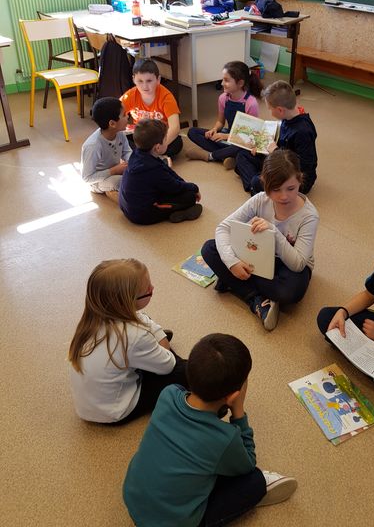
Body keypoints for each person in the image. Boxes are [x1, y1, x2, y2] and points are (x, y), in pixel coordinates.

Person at [123, 333, 297, 527]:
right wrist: (238, 411)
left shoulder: (168, 394)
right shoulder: (225, 438)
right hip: (175, 523)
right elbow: (248, 462)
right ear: (233, 396)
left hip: (132, 499)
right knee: (255, 480)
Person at [201, 149, 319, 331]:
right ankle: (255, 298)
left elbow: (298, 264)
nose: (284, 196)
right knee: (209, 249)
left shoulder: (309, 216)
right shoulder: (260, 200)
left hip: (289, 264)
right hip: (259, 254)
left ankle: (237, 284)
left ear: (300, 180)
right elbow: (223, 228)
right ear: (264, 183)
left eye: (291, 188)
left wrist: (274, 232)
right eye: (276, 189)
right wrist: (232, 263)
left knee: (291, 292)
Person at [68, 258, 188, 424]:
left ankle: (151, 348)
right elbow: (167, 366)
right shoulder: (135, 335)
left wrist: (155, 336)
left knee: (145, 325)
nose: (152, 288)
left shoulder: (91, 320)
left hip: (91, 406)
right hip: (116, 412)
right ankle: (153, 348)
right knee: (184, 370)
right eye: (148, 290)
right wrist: (161, 342)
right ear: (128, 301)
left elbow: (139, 318)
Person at [235, 79, 317, 195]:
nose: (269, 112)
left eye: (270, 109)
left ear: (280, 110)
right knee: (242, 155)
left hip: (295, 177)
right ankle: (260, 182)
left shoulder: (302, 131)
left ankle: (256, 187)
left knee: (256, 181)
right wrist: (262, 147)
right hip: (278, 161)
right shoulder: (288, 116)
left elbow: (304, 165)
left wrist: (275, 151)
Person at [119, 119, 202, 225]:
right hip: (142, 215)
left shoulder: (137, 154)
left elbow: (168, 171)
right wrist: (194, 187)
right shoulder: (153, 169)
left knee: (181, 188)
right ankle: (178, 213)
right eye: (166, 139)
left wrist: (185, 183)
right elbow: (174, 186)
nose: (167, 141)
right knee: (190, 197)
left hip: (127, 207)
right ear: (157, 147)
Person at [185, 61, 263, 169]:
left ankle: (211, 156)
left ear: (240, 83)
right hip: (229, 135)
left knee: (243, 147)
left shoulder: (251, 103)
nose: (222, 83)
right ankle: (227, 156)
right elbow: (220, 122)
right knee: (192, 132)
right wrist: (214, 129)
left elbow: (251, 136)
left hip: (243, 140)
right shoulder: (223, 98)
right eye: (223, 79)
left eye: (226, 80)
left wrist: (226, 137)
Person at [120, 58, 183, 157]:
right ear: (133, 79)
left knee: (177, 143)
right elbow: (115, 112)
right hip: (141, 136)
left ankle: (141, 156)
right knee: (121, 138)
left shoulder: (166, 97)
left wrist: (163, 145)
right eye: (140, 81)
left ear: (158, 80)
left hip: (160, 137)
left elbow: (175, 127)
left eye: (149, 81)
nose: (145, 86)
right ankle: (151, 157)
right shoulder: (130, 95)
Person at [80, 96, 131, 202]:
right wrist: (114, 170)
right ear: (112, 123)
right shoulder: (93, 145)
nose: (128, 116)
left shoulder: (119, 132)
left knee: (137, 174)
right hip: (97, 182)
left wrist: (132, 163)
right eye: (124, 115)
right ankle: (114, 193)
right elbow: (87, 178)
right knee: (122, 181)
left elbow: (126, 151)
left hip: (115, 170)